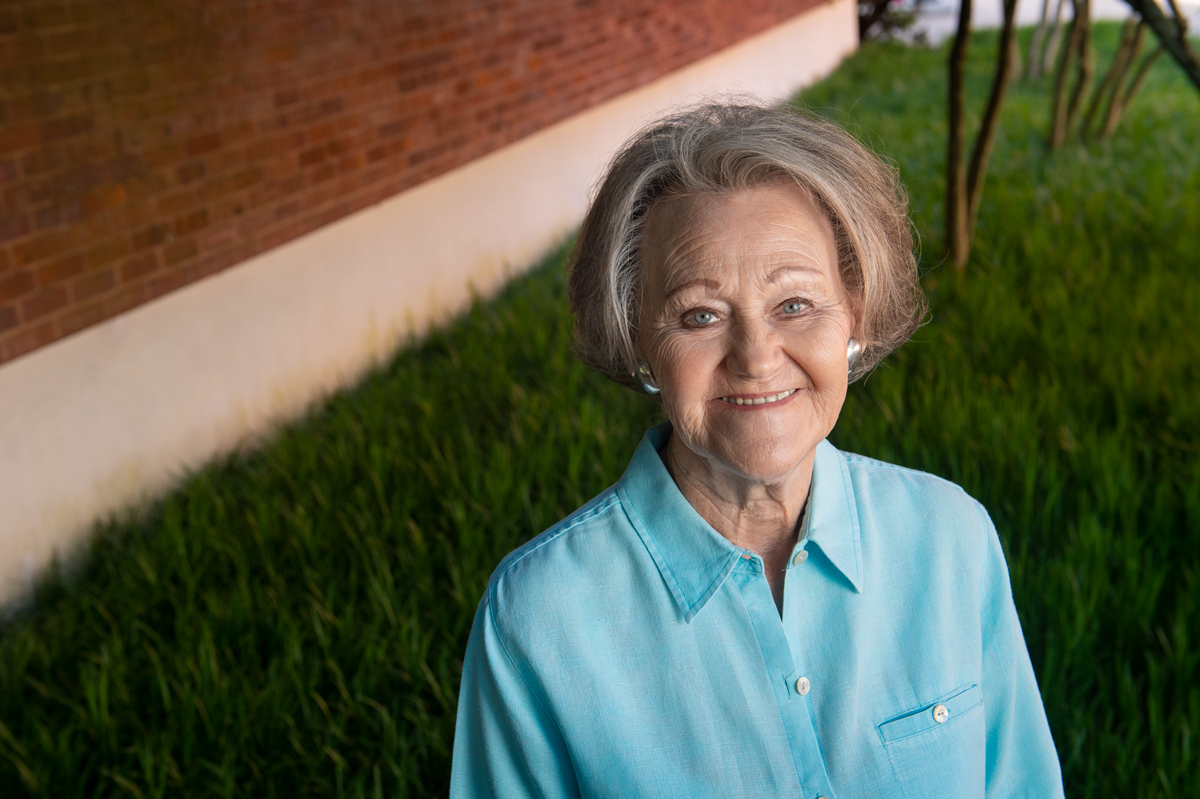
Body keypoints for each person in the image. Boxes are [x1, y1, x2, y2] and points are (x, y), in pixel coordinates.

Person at [449, 104, 1063, 798]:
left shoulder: (952, 539)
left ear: (853, 315)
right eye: (700, 315)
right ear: (639, 340)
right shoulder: (537, 618)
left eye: (794, 304)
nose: (757, 358)